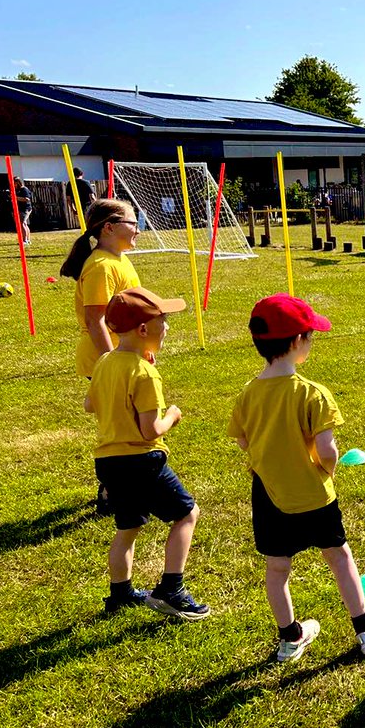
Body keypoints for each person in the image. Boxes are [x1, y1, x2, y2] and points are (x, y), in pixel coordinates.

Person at [228, 294, 365, 662]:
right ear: (296, 342)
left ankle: (290, 638)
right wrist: (328, 470)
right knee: (339, 556)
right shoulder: (313, 394)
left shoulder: (247, 394)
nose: (311, 341)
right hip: (313, 492)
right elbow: (327, 450)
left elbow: (243, 440)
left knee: (277, 568)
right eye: (310, 335)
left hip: (268, 494)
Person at [85, 287, 210, 620]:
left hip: (108, 462)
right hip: (142, 461)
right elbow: (150, 430)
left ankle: (120, 594)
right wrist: (173, 415)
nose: (166, 326)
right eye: (163, 320)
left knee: (127, 528)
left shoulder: (105, 362)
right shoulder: (144, 373)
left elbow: (89, 404)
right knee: (187, 514)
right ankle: (172, 589)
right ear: (143, 329)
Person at [61, 200, 143, 513]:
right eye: (133, 223)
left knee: (133, 421)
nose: (138, 229)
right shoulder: (101, 266)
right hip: (105, 358)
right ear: (109, 227)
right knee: (121, 427)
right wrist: (113, 362)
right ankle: (111, 492)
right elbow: (95, 320)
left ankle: (126, 485)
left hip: (126, 355)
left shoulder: (119, 260)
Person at [13, 177, 31, 245]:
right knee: (24, 224)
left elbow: (27, 199)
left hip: (25, 209)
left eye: (14, 183)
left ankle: (25, 240)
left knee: (22, 223)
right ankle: (28, 240)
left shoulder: (24, 189)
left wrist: (16, 198)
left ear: (18, 182)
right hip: (20, 209)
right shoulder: (17, 190)